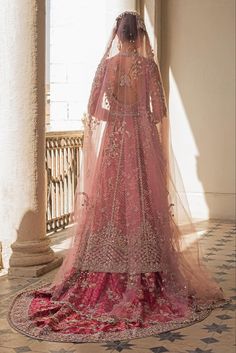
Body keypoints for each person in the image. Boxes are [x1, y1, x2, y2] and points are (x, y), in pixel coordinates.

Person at [8, 11, 228, 343]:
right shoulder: (149, 67)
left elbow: (94, 110)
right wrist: (138, 115)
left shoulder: (106, 67)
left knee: (110, 203)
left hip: (114, 140)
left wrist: (119, 114)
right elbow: (160, 112)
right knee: (141, 200)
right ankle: (145, 269)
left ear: (117, 35)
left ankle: (104, 268)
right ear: (139, 37)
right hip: (141, 140)